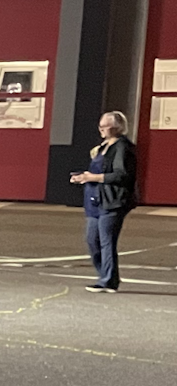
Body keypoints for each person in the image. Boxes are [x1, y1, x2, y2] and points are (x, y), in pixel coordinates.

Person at [70, 110, 138, 292]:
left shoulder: (122, 148)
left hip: (112, 201)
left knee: (107, 241)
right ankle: (105, 275)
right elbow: (96, 172)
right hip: (94, 201)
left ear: (116, 127)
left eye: (104, 126)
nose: (100, 129)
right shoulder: (102, 147)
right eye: (100, 125)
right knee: (92, 240)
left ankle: (108, 281)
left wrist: (93, 177)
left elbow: (121, 175)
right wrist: (82, 177)